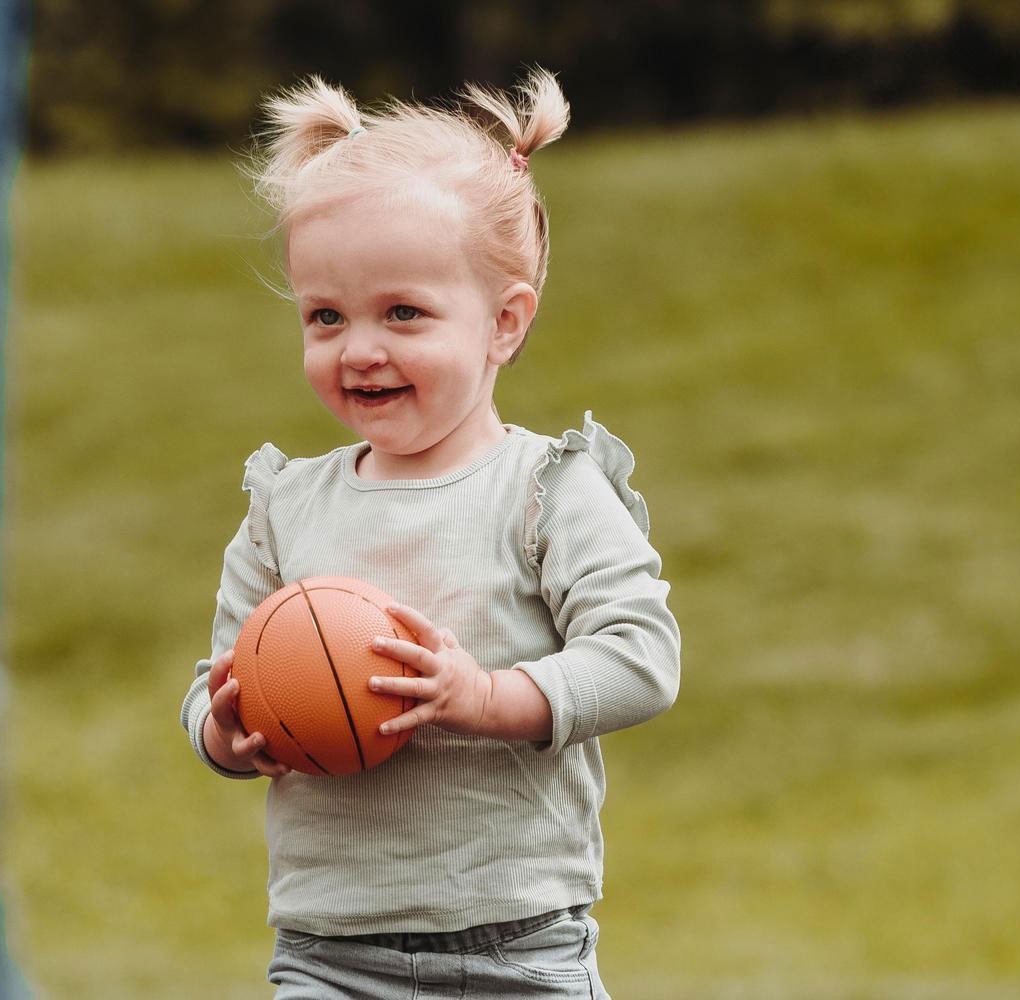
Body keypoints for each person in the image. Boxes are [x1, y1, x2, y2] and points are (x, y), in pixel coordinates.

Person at [178, 69, 681, 999]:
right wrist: (227, 730)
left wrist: (486, 696)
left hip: (519, 947)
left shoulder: (544, 492)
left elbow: (643, 655)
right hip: (329, 953)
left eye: (402, 313)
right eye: (326, 316)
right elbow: (218, 683)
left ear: (503, 322)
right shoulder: (286, 509)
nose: (359, 348)